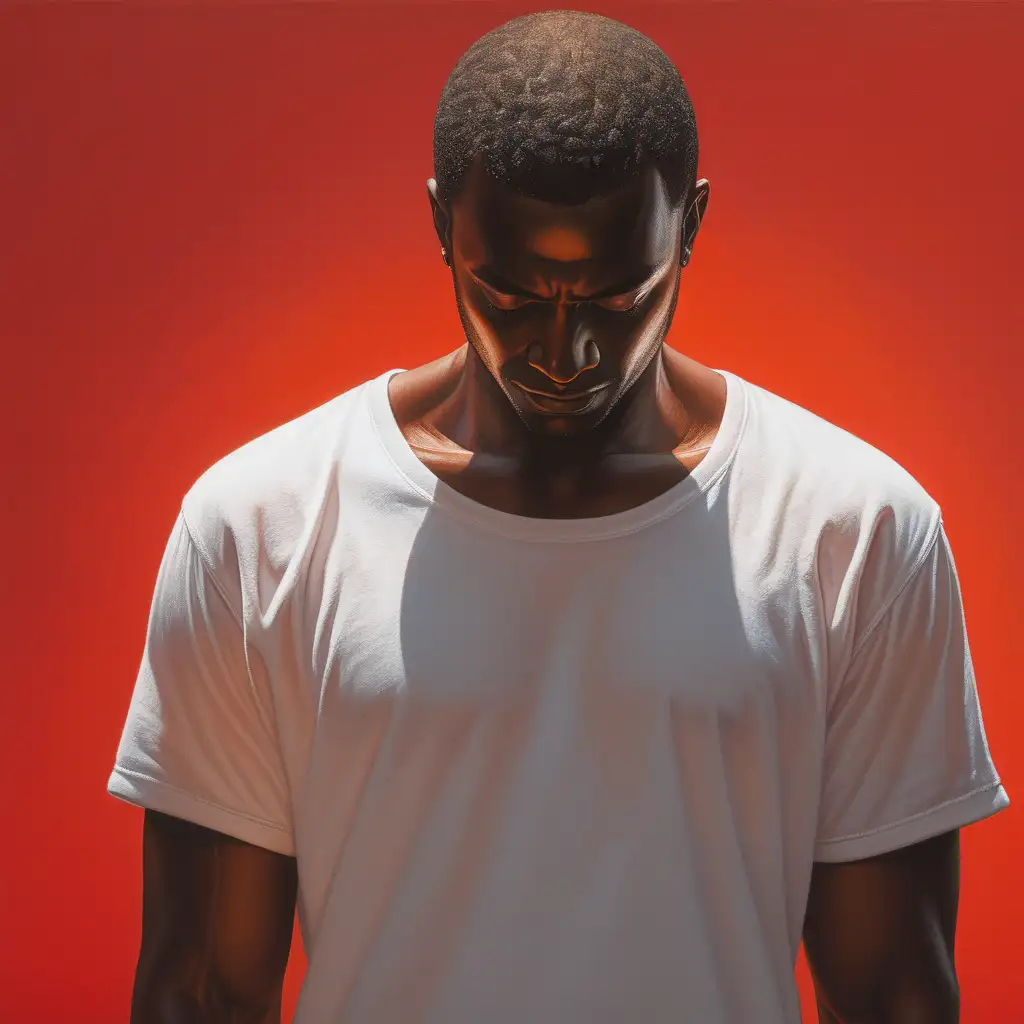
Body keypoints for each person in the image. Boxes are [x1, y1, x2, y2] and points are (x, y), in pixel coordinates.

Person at [109, 10, 1008, 1023]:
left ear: (692, 224)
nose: (564, 352)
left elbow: (894, 991)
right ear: (442, 224)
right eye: (509, 295)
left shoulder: (855, 533)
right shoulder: (259, 528)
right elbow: (199, 990)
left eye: (619, 297)